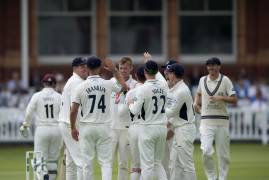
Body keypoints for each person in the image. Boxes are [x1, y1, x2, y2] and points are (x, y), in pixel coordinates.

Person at [70, 57, 128, 180]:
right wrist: (114, 70)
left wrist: (72, 128)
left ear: (87, 68)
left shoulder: (81, 86)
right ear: (100, 67)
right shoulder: (108, 84)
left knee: (87, 164)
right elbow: (124, 86)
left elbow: (73, 110)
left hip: (86, 127)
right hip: (104, 127)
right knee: (106, 163)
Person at [194, 57, 237, 180]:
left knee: (223, 155)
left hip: (222, 122)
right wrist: (196, 104)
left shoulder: (225, 80)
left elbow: (234, 99)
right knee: (206, 151)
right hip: (206, 122)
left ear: (219, 66)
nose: (211, 68)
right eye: (209, 65)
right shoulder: (202, 80)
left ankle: (222, 178)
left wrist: (221, 98)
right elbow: (198, 94)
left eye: (213, 65)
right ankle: (212, 178)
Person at [128, 60, 168, 180]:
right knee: (157, 163)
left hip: (147, 128)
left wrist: (130, 104)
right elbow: (160, 78)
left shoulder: (142, 88)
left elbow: (134, 111)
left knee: (147, 165)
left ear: (145, 72)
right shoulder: (164, 85)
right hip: (161, 127)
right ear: (156, 72)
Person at [20, 74, 62, 180]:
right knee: (53, 159)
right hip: (56, 130)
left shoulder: (37, 96)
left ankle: (43, 175)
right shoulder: (59, 97)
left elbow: (29, 112)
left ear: (43, 83)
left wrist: (25, 125)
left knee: (39, 158)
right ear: (54, 84)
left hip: (42, 129)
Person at [58, 57, 88, 180]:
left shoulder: (73, 80)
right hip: (70, 124)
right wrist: (73, 127)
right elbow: (74, 108)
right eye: (82, 66)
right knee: (81, 161)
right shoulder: (77, 82)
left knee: (71, 161)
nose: (85, 69)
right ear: (75, 68)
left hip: (65, 123)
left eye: (86, 66)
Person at [165, 63, 197, 180]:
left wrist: (155, 114)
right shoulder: (174, 89)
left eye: (169, 73)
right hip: (178, 128)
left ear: (175, 74)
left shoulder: (181, 91)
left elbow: (170, 112)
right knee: (174, 163)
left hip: (185, 129)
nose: (167, 75)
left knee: (186, 164)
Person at [110, 57, 137, 180]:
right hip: (110, 127)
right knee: (107, 162)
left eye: (125, 68)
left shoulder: (135, 85)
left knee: (123, 163)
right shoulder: (110, 82)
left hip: (126, 128)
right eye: (120, 68)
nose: (123, 70)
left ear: (131, 68)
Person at [122, 66, 146, 180]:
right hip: (147, 127)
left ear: (136, 76)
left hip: (133, 128)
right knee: (148, 165)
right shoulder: (150, 90)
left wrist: (131, 103)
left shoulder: (131, 93)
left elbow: (124, 111)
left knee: (136, 166)